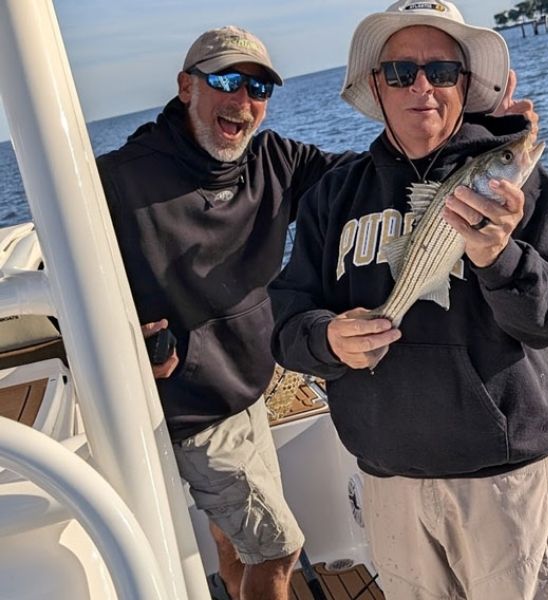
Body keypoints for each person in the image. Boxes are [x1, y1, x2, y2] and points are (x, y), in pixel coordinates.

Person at [269, 1, 548, 599]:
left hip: (504, 485)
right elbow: (285, 319)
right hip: (387, 485)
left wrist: (500, 256)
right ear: (377, 85)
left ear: (464, 84)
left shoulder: (517, 188)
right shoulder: (332, 196)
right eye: (401, 72)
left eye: (441, 71)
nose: (421, 86)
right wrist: (328, 338)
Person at [95, 26, 357, 600]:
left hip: (248, 383)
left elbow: (361, 179)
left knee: (236, 541)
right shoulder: (118, 179)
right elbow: (63, 279)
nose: (243, 99)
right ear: (186, 87)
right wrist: (122, 338)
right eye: (226, 80)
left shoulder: (274, 160)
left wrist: (467, 137)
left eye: (259, 88)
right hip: (190, 407)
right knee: (279, 549)